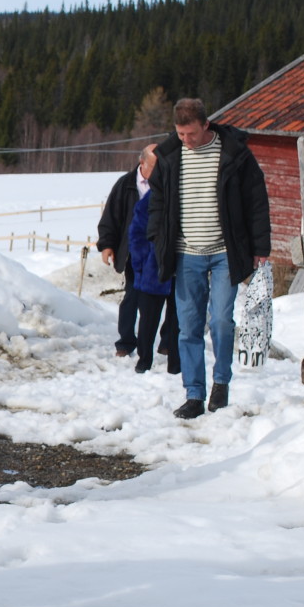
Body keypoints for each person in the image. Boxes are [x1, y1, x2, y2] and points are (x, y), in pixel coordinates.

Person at [144, 98, 270, 418]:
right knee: (188, 327)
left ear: (205, 125)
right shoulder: (170, 157)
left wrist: (260, 247)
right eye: (180, 134)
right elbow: (157, 203)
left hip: (225, 251)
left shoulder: (234, 153)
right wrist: (157, 239)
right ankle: (194, 395)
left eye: (191, 134)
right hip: (186, 252)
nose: (186, 140)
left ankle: (221, 382)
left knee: (221, 321)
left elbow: (256, 200)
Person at [126, 172, 180, 374]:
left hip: (181, 269)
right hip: (152, 269)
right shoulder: (152, 198)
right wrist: (141, 262)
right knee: (148, 319)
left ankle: (176, 363)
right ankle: (144, 360)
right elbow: (136, 231)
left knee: (178, 320)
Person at [96, 160, 142, 358]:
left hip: (160, 250)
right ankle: (125, 342)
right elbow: (111, 216)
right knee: (132, 296)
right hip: (133, 250)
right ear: (143, 163)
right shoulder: (126, 184)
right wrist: (107, 245)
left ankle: (166, 342)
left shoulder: (166, 181)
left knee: (167, 298)